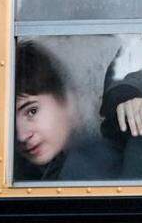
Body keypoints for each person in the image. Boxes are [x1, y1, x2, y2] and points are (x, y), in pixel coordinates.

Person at [14, 41, 120, 182]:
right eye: (10, 122)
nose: (22, 136)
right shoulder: (31, 172)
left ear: (67, 101)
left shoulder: (92, 168)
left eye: (32, 111)